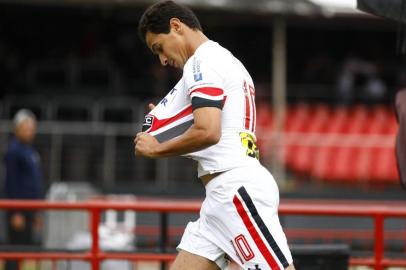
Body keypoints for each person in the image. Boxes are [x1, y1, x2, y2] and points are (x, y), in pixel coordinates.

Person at [134, 1, 294, 269]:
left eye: (159, 47)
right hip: (222, 197)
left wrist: (155, 149)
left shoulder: (201, 62)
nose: (162, 59)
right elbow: (216, 128)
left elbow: (209, 131)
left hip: (234, 191)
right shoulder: (223, 59)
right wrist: (168, 123)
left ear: (176, 26)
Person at [3, 109, 43, 270]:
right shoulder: (14, 151)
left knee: (25, 250)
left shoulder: (30, 151)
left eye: (31, 128)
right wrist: (15, 212)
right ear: (17, 129)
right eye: (26, 128)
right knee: (15, 251)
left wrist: (37, 211)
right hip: (19, 209)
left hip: (30, 208)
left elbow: (34, 182)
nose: (30, 131)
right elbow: (11, 183)